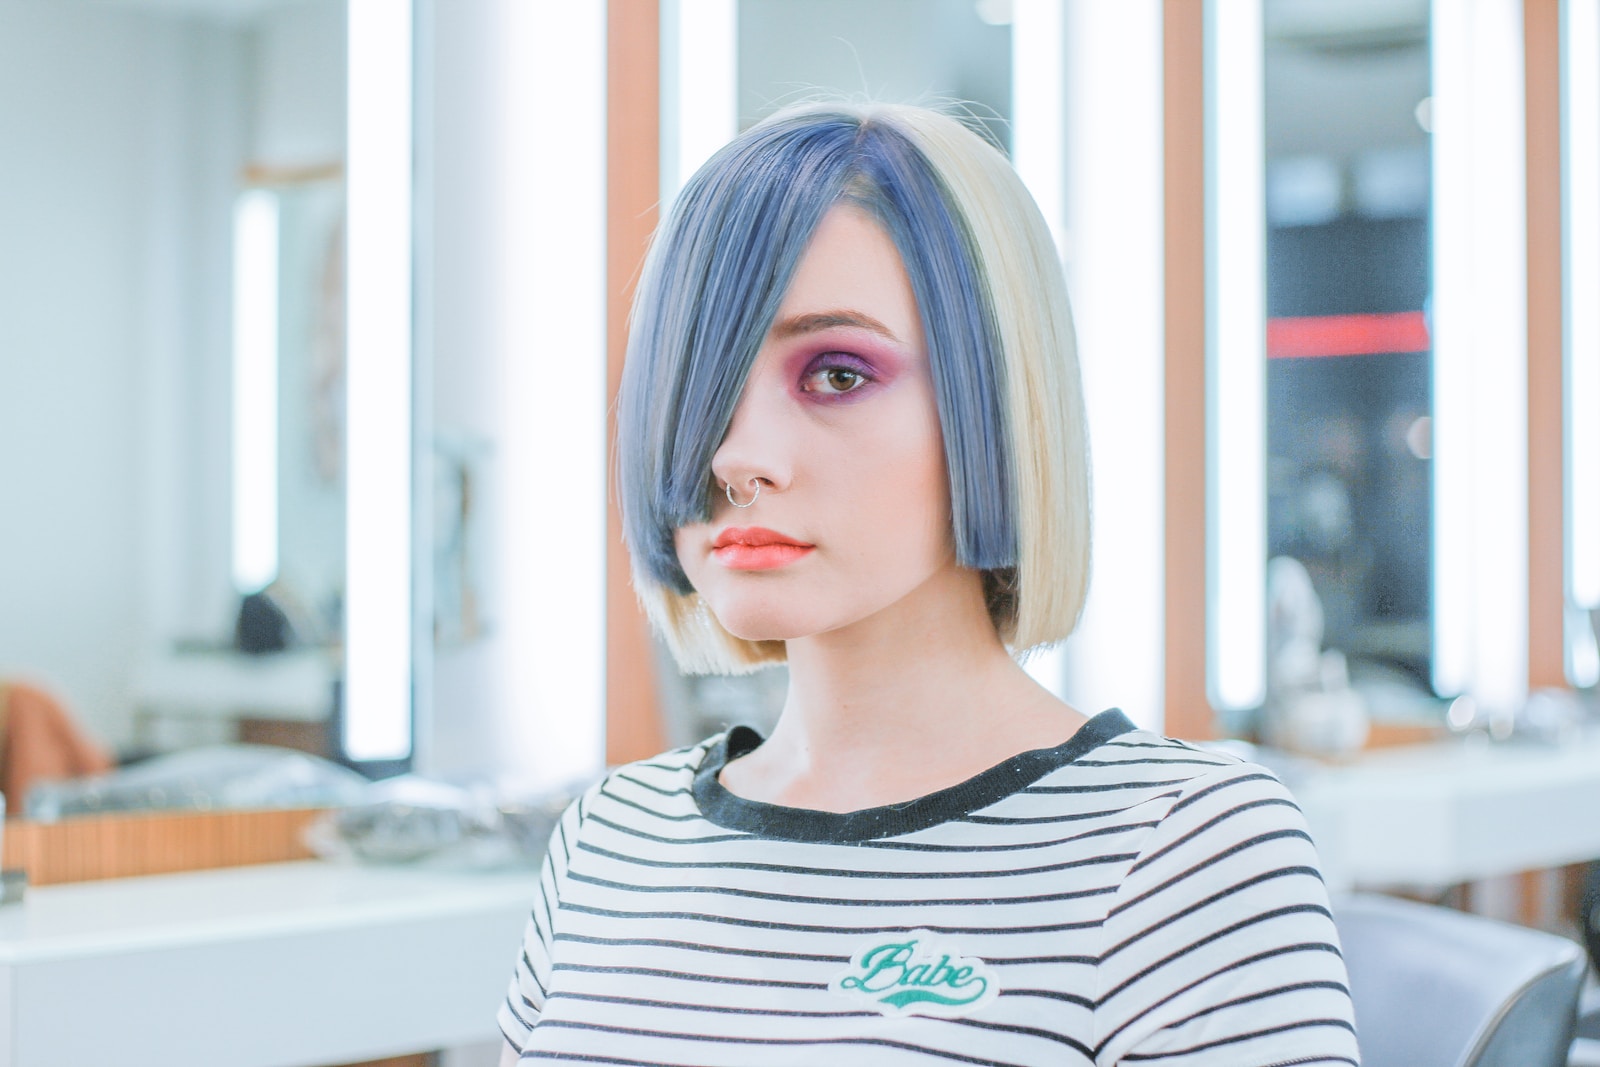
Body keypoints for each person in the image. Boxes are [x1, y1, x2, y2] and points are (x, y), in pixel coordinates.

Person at [498, 101, 1359, 1066]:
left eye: (834, 375)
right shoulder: (608, 843)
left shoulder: (1181, 853)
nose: (737, 456)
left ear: (996, 398)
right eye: (699, 385)